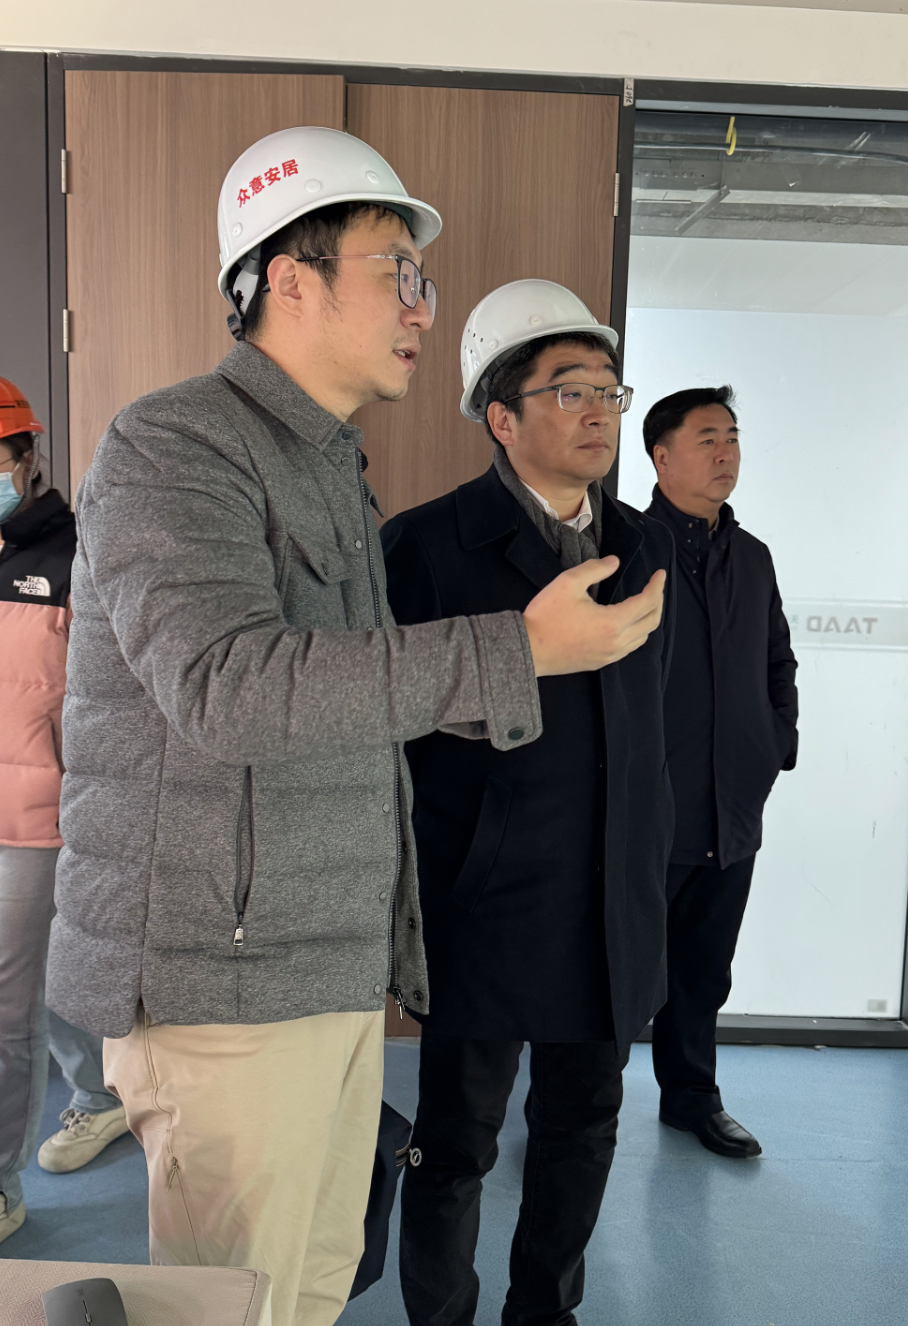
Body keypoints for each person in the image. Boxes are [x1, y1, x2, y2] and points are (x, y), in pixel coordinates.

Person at [45, 130, 665, 1326]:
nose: (423, 308)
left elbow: (354, 708)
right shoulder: (176, 443)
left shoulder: (331, 465)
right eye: (396, 272)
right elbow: (224, 686)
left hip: (324, 970)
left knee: (316, 1285)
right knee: (240, 1302)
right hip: (225, 987)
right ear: (290, 278)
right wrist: (518, 651)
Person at [381, 279, 675, 1326]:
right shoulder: (425, 547)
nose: (598, 411)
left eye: (606, 389)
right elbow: (387, 728)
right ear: (500, 417)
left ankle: (545, 1314)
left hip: (611, 901)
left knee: (582, 1129)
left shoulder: (643, 543)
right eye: (567, 389)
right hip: (485, 902)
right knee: (455, 1141)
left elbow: (649, 726)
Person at [643, 385, 798, 1159]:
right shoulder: (627, 549)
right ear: (661, 456)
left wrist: (774, 745)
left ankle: (692, 1100)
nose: (725, 453)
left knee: (704, 968)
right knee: (611, 967)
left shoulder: (753, 557)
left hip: (731, 801)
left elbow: (777, 660)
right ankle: (567, 1109)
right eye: (707, 438)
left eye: (732, 437)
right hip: (648, 804)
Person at [0, 380, 128, 1246]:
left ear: (23, 457)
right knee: (46, 979)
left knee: (9, 1005)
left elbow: (111, 694)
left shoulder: (74, 554)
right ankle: (99, 1092)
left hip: (37, 816)